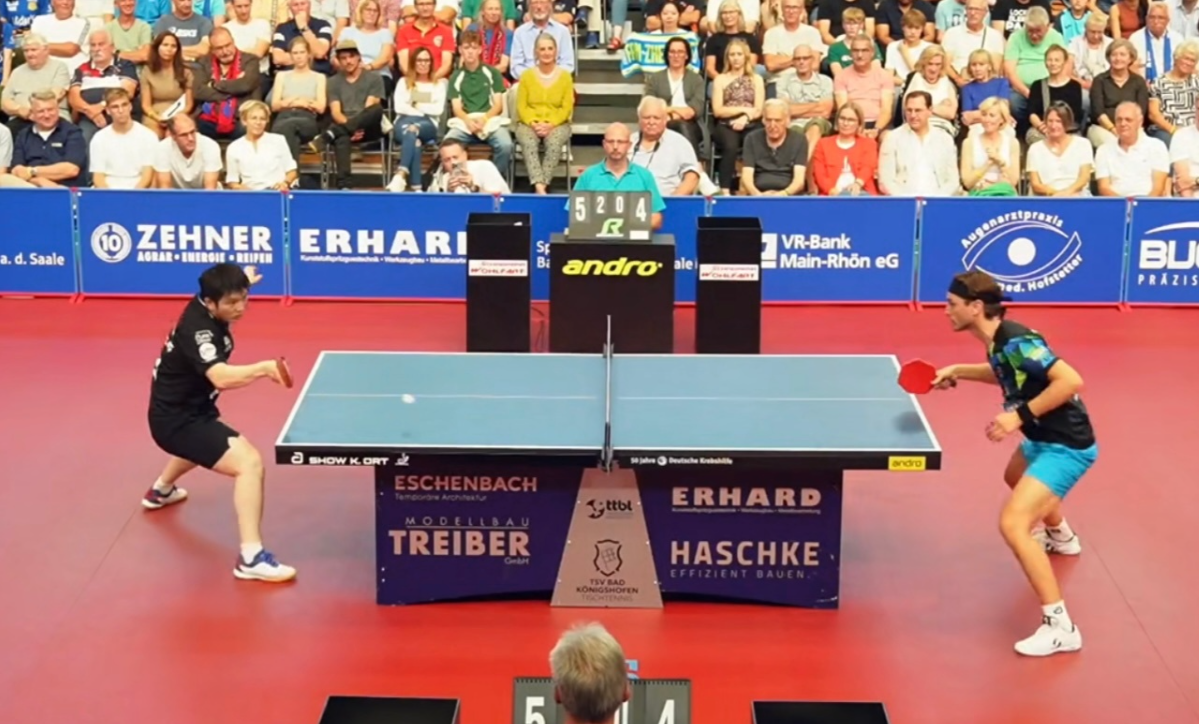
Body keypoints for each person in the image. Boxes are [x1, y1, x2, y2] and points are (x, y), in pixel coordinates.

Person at [932, 269, 1094, 657]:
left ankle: (1061, 628)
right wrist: (957, 370)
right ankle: (1062, 537)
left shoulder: (1018, 341)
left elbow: (1071, 381)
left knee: (1014, 524)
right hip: (1041, 439)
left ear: (975, 307)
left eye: (952, 304)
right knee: (1015, 476)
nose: (945, 311)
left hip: (1065, 446)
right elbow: (1005, 373)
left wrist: (1017, 417)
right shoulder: (997, 342)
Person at [142, 262, 297, 584]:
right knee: (248, 463)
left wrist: (242, 282)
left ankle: (160, 491)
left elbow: (230, 292)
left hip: (187, 411)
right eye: (232, 302)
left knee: (206, 445)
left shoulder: (209, 301)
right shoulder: (199, 331)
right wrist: (264, 368)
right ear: (210, 303)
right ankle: (251, 558)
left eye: (244, 299)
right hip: (177, 421)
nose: (240, 308)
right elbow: (221, 377)